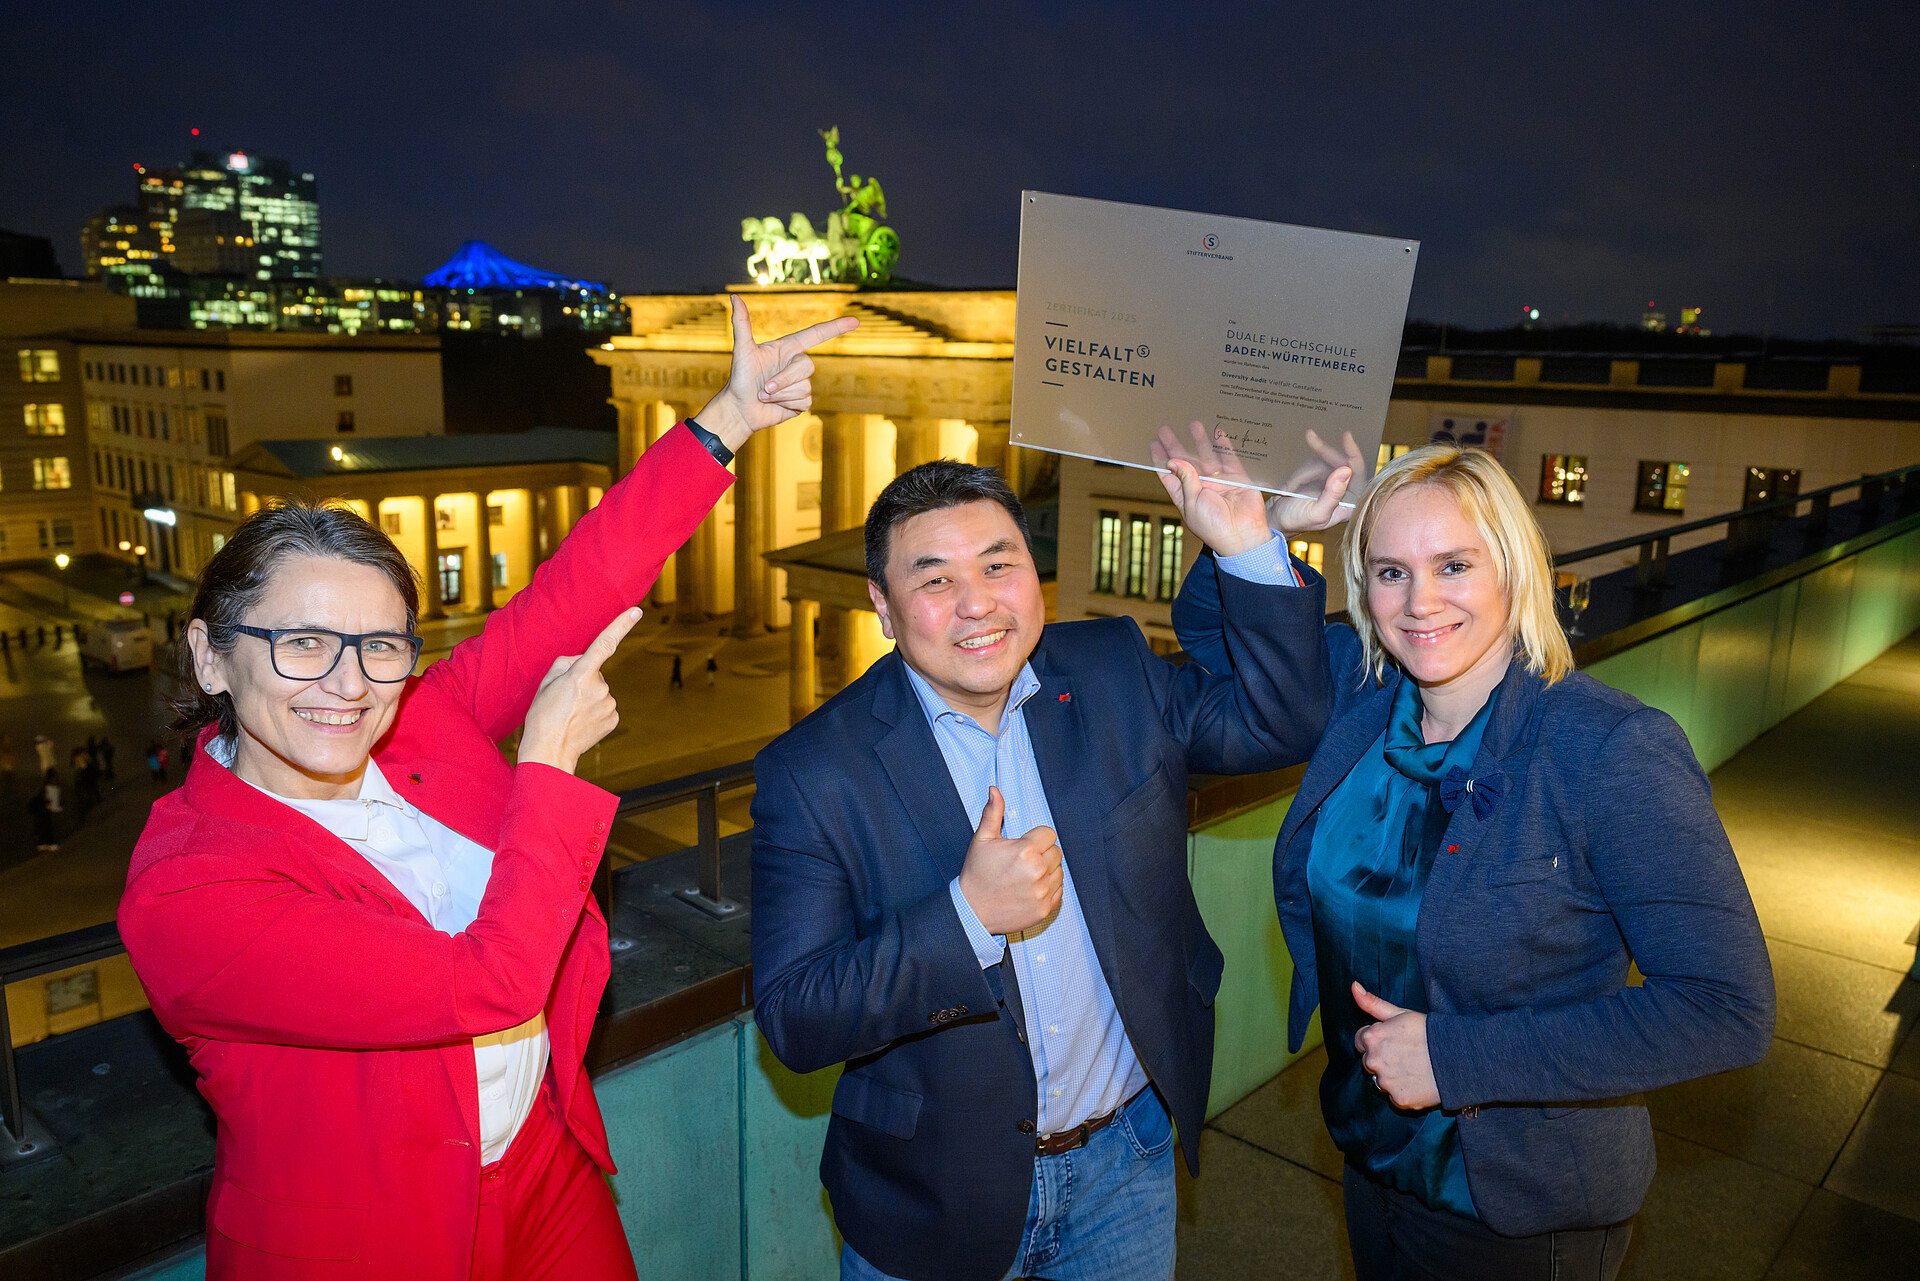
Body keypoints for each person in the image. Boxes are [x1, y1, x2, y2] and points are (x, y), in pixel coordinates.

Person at [117, 296, 855, 1281]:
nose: (349, 684)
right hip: (360, 1241)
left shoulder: (420, 718)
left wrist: (724, 421)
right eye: (301, 644)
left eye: (380, 646)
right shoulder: (185, 889)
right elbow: (489, 984)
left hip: (541, 1176)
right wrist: (546, 768)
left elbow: (569, 595)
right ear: (211, 658)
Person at [1172, 441, 1774, 1280]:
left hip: (1519, 1205)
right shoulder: (1362, 693)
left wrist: (1458, 1060)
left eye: (1453, 564)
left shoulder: (1609, 750)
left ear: (1514, 572)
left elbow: (1726, 1008)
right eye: (1390, 572)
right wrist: (1262, 527)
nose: (1420, 602)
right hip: (1369, 1153)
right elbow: (1217, 636)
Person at [750, 436, 1339, 1281]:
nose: (976, 604)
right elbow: (795, 1016)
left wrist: (1246, 543)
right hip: (932, 1197)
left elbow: (1281, 722)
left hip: (1125, 1158)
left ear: (1036, 571)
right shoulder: (816, 770)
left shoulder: (1111, 669)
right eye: (934, 578)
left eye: (999, 565)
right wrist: (966, 919)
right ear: (883, 603)